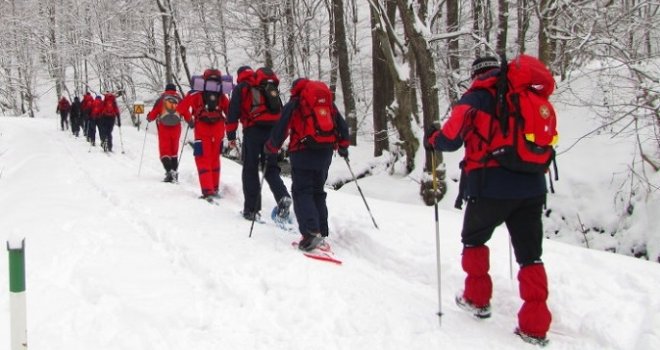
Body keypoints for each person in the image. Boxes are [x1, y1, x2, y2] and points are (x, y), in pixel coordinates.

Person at [424, 56, 552, 344]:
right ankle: (535, 327)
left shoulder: (476, 98)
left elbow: (451, 139)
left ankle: (477, 299)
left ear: (475, 75)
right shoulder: (527, 95)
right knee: (531, 255)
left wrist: (432, 139)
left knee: (474, 240)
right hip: (532, 187)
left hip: (489, 186)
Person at [264, 78, 349, 251]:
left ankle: (311, 233)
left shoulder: (297, 102)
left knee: (302, 191)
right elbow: (342, 125)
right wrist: (344, 147)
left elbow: (282, 126)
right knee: (318, 191)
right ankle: (321, 231)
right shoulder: (325, 102)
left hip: (303, 151)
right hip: (325, 153)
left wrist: (271, 147)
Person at [227, 66, 292, 221]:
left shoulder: (242, 88)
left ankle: (251, 209)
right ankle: (283, 197)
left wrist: (231, 136)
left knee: (250, 169)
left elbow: (232, 113)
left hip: (253, 132)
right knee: (270, 168)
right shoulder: (267, 86)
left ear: (239, 76)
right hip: (272, 131)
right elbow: (281, 111)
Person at [176, 69, 230, 200]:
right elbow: (229, 111)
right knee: (214, 158)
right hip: (218, 130)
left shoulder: (195, 93)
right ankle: (215, 188)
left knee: (202, 159)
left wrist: (190, 120)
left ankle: (207, 191)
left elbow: (181, 108)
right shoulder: (221, 93)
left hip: (202, 129)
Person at [147, 83, 184, 182]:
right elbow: (186, 112)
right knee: (174, 152)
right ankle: (174, 173)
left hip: (164, 129)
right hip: (176, 129)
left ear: (166, 89)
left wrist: (149, 117)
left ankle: (169, 172)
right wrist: (191, 122)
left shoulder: (161, 99)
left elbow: (154, 113)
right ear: (175, 90)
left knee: (164, 152)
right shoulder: (179, 99)